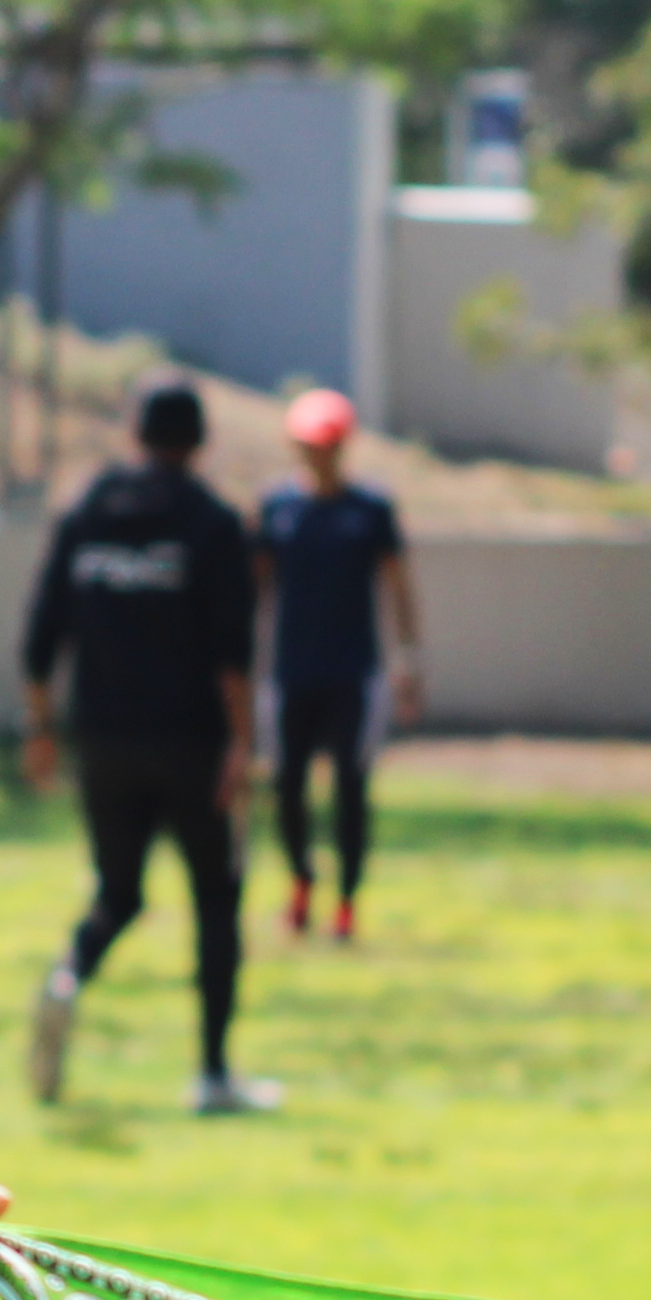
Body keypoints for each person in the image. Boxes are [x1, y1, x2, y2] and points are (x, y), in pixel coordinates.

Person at [20, 381, 268, 1114]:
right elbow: (232, 654)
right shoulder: (212, 523)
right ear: (199, 443)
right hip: (191, 741)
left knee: (118, 894)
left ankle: (67, 977)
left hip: (103, 742)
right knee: (215, 900)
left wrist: (41, 731)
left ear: (134, 434)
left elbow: (38, 642)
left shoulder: (86, 517)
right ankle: (214, 1075)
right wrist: (242, 746)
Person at [250, 384, 419, 942]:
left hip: (353, 672)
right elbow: (257, 590)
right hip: (291, 672)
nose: (318, 455)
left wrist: (407, 660)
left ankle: (346, 902)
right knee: (288, 786)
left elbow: (398, 587)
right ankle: (300, 883)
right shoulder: (278, 508)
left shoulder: (370, 510)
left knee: (351, 788)